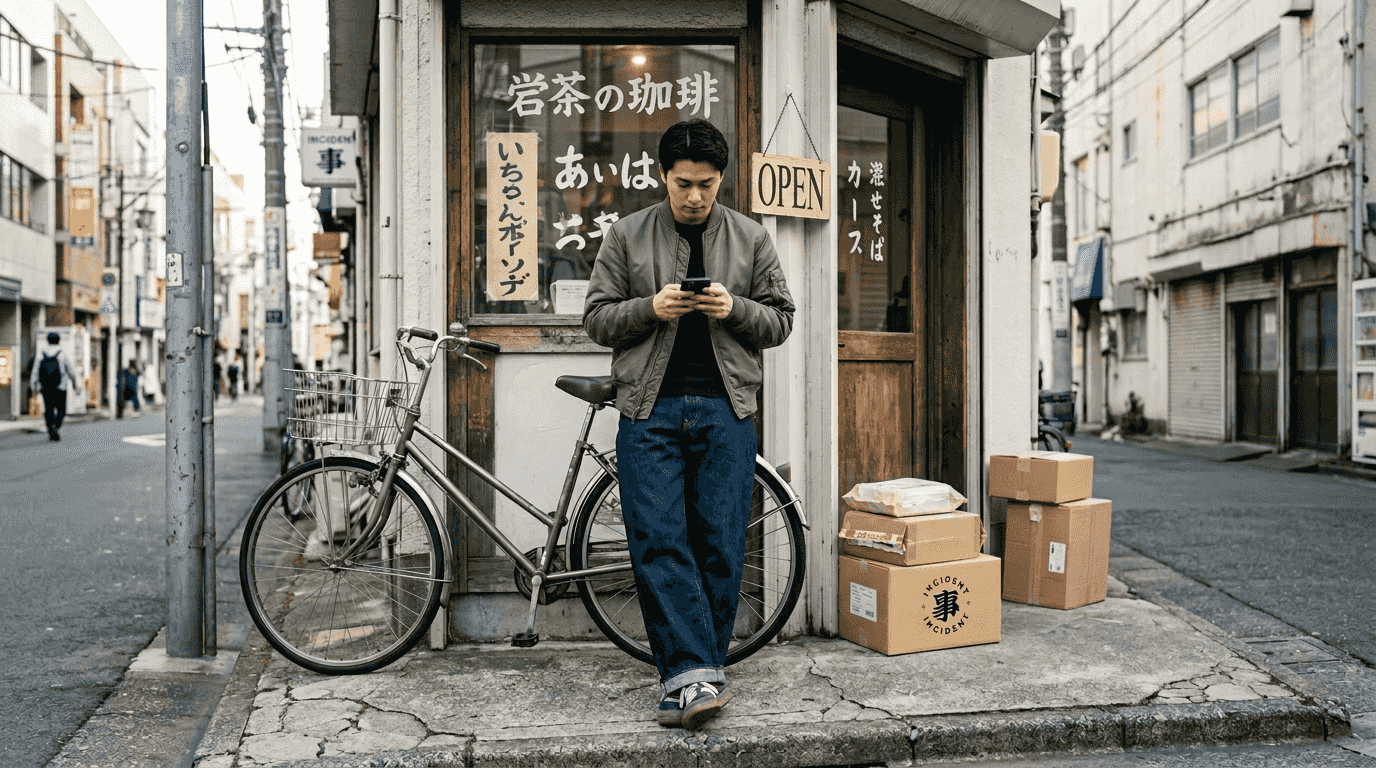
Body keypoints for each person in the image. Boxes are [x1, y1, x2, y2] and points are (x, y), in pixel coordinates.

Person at [583, 119, 795, 731]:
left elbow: (781, 321)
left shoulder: (751, 238)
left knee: (722, 541)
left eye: (706, 184)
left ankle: (696, 674)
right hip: (648, 409)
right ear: (662, 177)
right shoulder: (626, 235)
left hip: (727, 408)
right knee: (658, 540)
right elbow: (596, 319)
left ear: (722, 179)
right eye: (683, 184)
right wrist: (650, 308)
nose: (695, 196)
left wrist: (736, 309)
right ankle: (691, 676)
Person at [29, 332, 84, 442]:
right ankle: (55, 427)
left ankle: (51, 428)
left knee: (48, 409)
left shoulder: (41, 353)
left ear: (47, 340)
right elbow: (70, 370)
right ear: (58, 340)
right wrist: (75, 384)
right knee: (61, 411)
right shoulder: (61, 353)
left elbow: (35, 371)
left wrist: (34, 386)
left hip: (45, 387)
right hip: (60, 387)